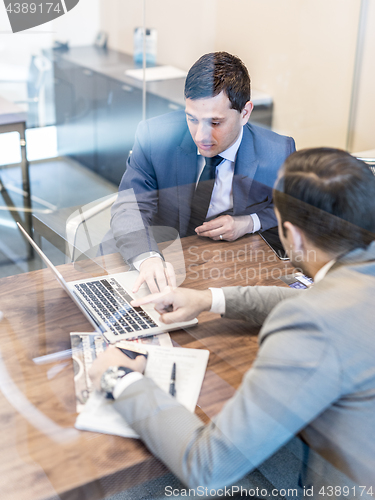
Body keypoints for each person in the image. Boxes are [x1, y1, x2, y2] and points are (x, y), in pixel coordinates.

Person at [91, 148, 375, 494]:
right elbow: (318, 301)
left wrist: (120, 379)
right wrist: (208, 299)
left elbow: (208, 465)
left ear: (293, 236)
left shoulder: (313, 324)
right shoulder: (351, 287)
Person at [110, 52, 295, 293]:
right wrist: (148, 258)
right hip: (165, 260)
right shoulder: (154, 137)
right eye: (192, 119)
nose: (201, 136)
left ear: (245, 113)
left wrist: (249, 222)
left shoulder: (277, 151)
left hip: (235, 272)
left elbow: (292, 211)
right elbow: (129, 206)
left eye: (215, 123)